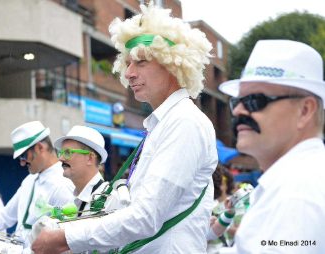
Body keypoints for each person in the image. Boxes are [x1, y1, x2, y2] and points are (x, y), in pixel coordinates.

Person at [32, 2, 217, 253]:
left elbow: (145, 216)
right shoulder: (164, 124)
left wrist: (65, 237)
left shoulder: (184, 122)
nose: (128, 73)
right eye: (127, 63)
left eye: (140, 62)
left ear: (173, 64)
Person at [219, 39, 325, 253]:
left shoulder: (297, 194)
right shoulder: (293, 182)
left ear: (305, 111)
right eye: (237, 101)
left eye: (255, 100)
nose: (238, 110)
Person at [0, 121, 75, 250]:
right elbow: (6, 215)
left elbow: (64, 241)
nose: (22, 163)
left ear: (39, 148)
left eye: (24, 156)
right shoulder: (29, 180)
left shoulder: (63, 184)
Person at [54, 125, 124, 217]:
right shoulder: (71, 200)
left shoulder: (111, 200)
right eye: (60, 153)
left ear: (90, 158)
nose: (60, 158)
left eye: (67, 153)